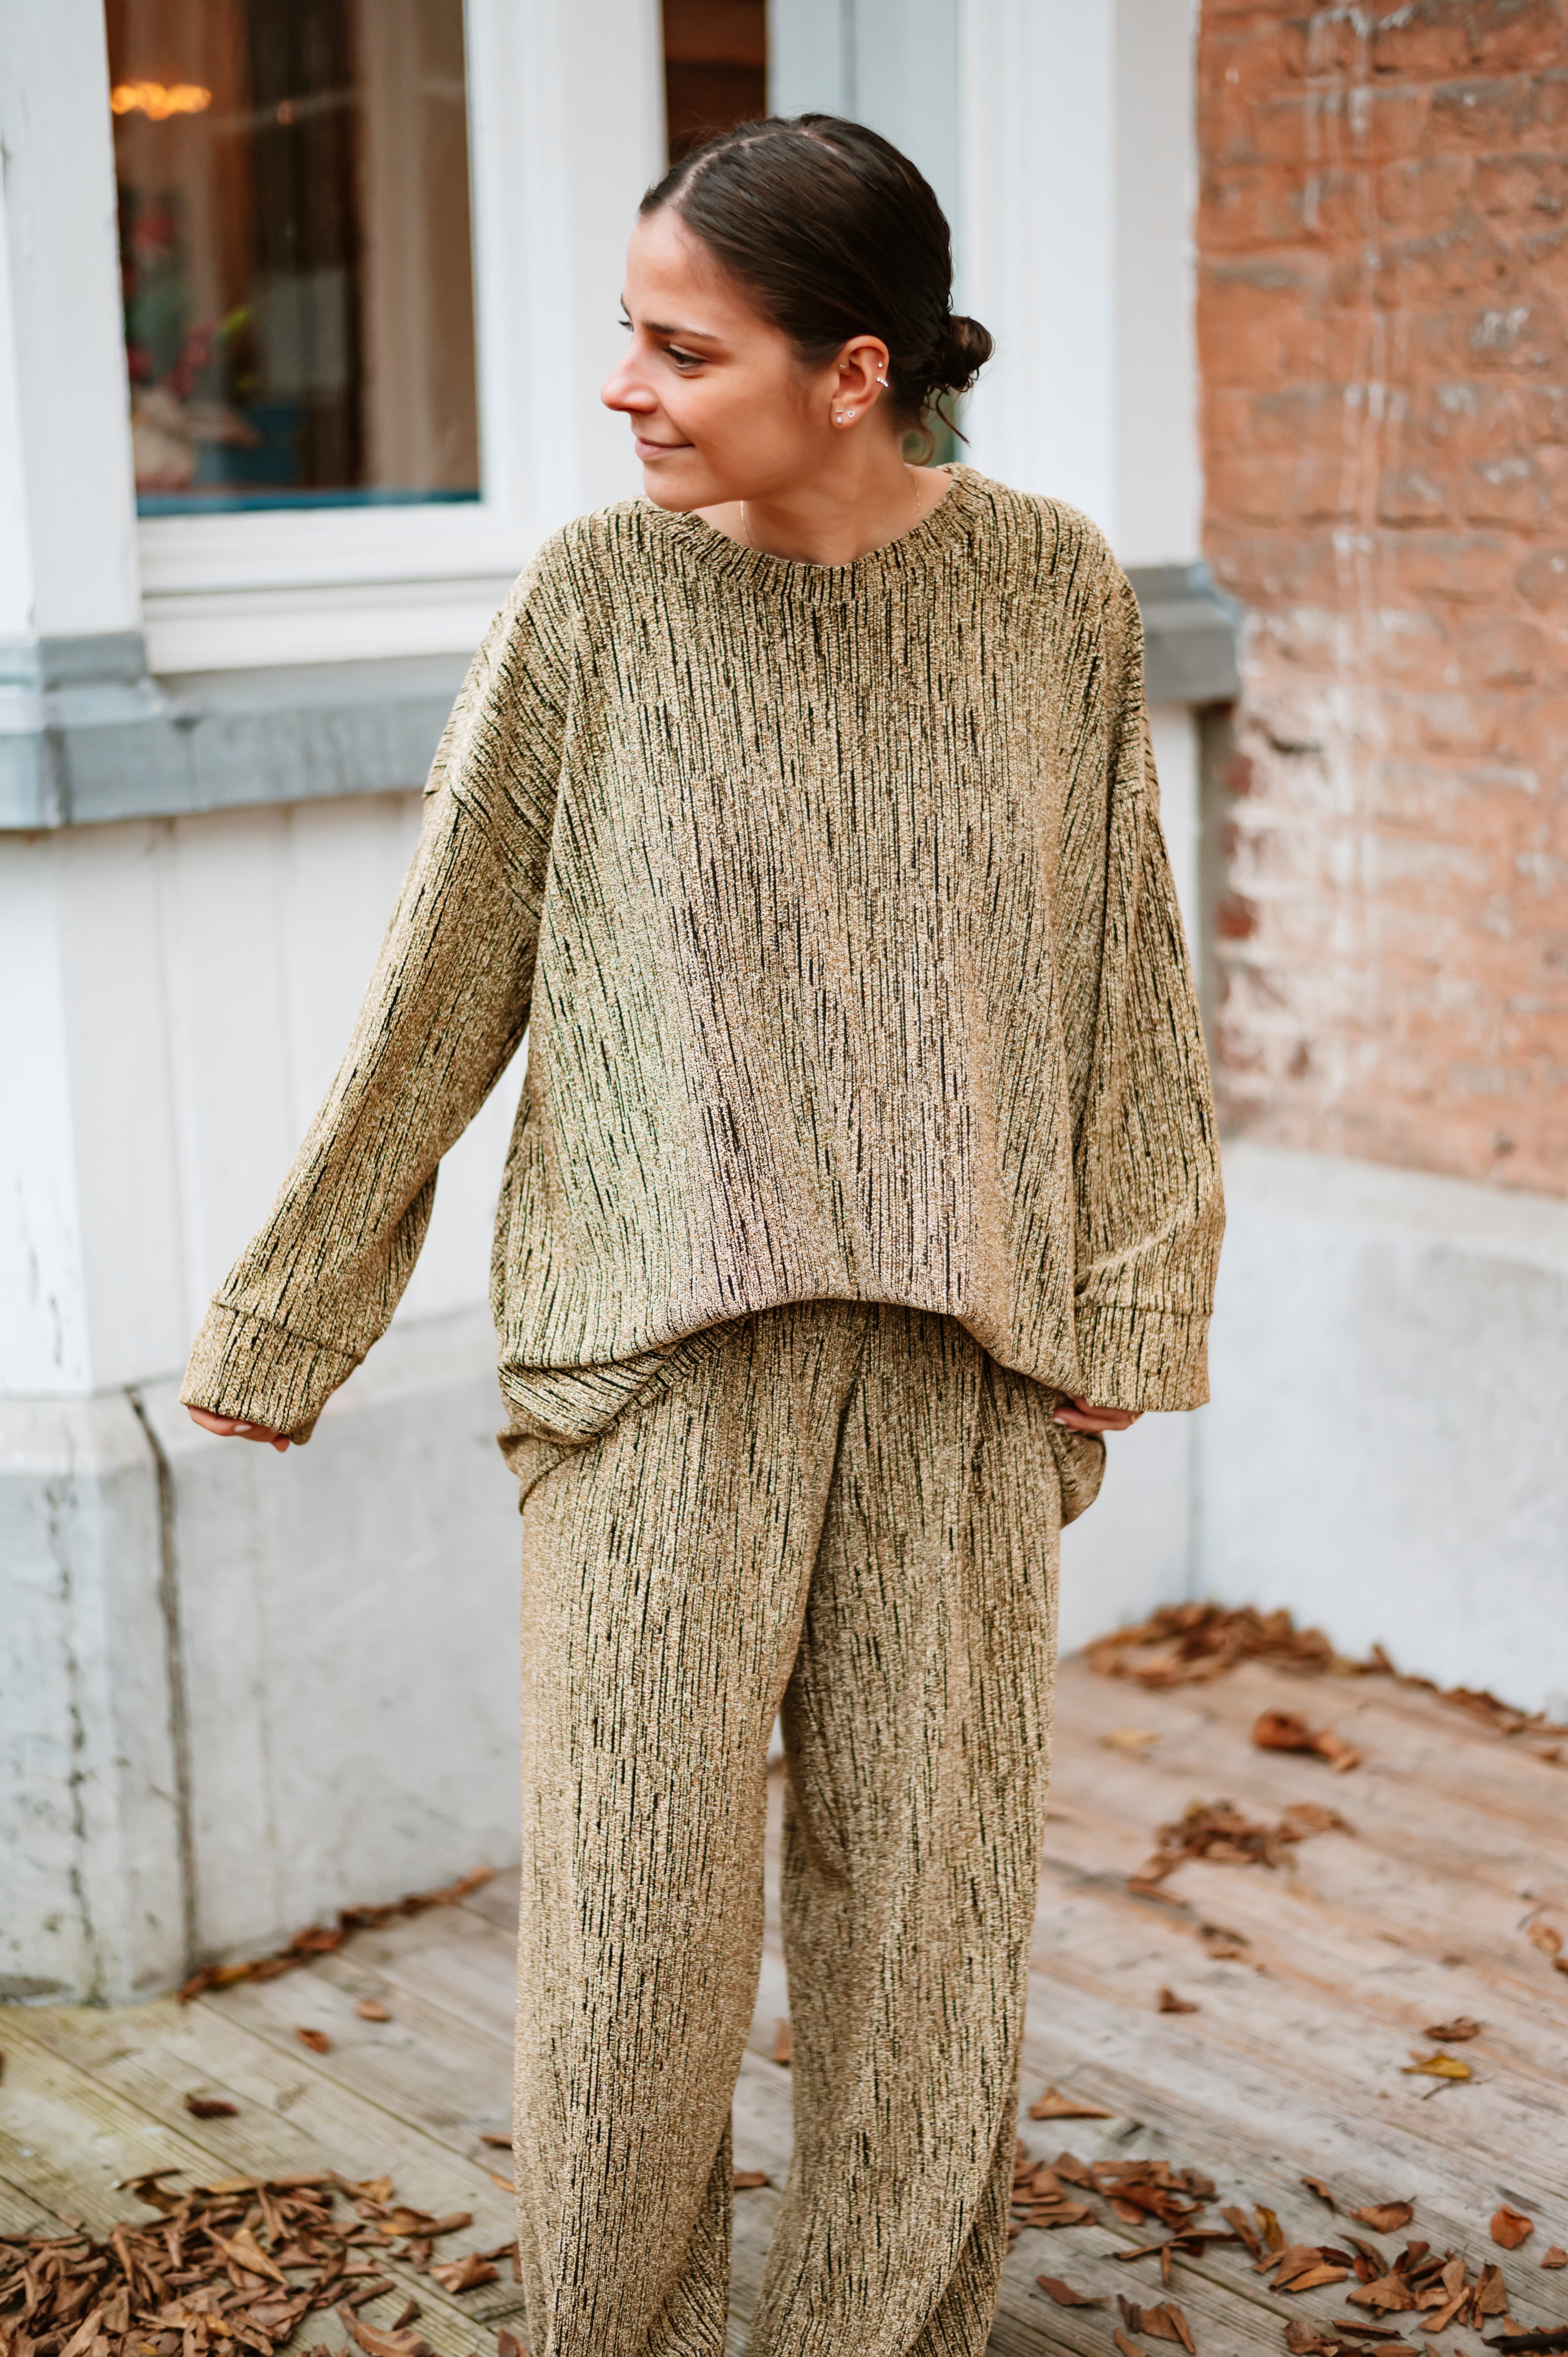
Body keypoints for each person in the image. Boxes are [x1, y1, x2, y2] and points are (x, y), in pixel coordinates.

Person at [182, 114, 1222, 2357]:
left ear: (853, 373)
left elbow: (1121, 969)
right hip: (656, 1371)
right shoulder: (595, 601)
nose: (623, 388)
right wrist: (293, 1313)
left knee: (928, 1939)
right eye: (629, 337)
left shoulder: (1050, 588)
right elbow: (448, 973)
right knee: (636, 1950)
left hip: (962, 1369)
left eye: (683, 348)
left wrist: (1133, 1297)